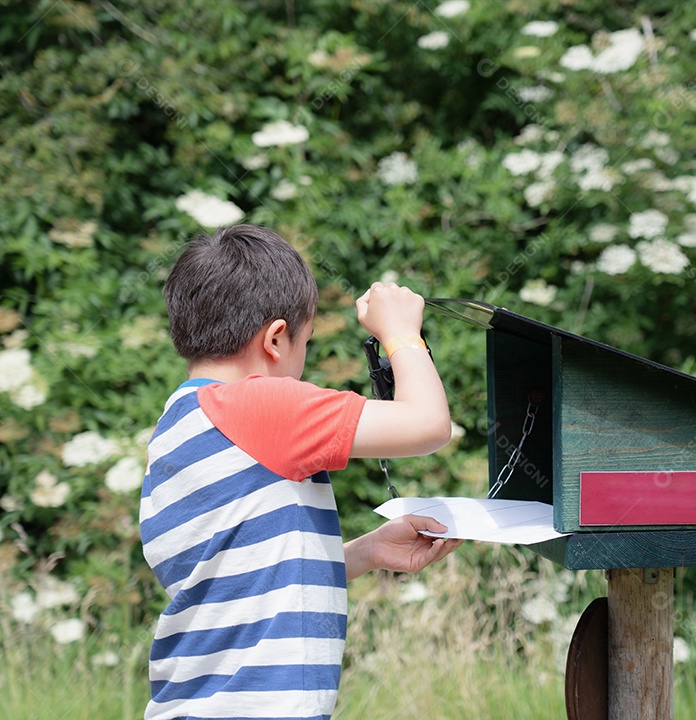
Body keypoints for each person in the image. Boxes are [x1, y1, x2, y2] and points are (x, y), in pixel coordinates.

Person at [139, 224, 462, 720]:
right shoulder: (259, 403)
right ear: (275, 339)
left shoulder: (178, 425)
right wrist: (401, 335)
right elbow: (429, 425)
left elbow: (235, 580)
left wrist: (366, 551)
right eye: (305, 343)